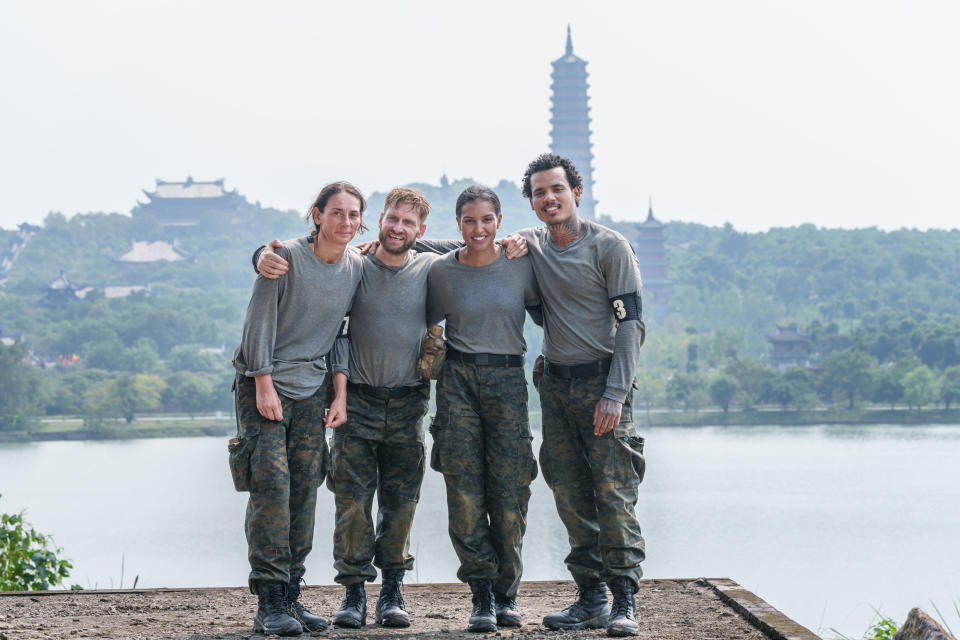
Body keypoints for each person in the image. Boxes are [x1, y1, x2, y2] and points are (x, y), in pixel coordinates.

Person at [416, 155, 646, 637]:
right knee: (568, 492)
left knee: (614, 490)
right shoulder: (531, 246)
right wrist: (400, 238)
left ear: (575, 192)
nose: (549, 199)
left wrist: (616, 394)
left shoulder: (610, 246)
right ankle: (590, 598)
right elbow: (467, 247)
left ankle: (624, 600)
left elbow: (631, 324)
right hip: (555, 385)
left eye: (556, 190)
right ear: (531, 202)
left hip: (605, 383)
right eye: (539, 193)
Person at [232, 181, 366, 637]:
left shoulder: (355, 267)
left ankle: (291, 595)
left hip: (314, 390)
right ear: (316, 214)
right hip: (264, 385)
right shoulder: (284, 258)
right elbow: (258, 323)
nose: (345, 222)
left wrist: (340, 394)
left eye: (353, 215)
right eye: (336, 213)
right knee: (271, 486)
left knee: (306, 489)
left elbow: (342, 335)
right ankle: (268, 602)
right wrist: (263, 383)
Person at [426, 186, 541, 632]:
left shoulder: (521, 264)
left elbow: (548, 307)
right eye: (469, 221)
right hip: (457, 382)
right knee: (465, 493)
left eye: (487, 220)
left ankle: (506, 593)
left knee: (511, 494)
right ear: (458, 224)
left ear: (499, 221)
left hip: (508, 381)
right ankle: (481, 596)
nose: (479, 229)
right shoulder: (441, 272)